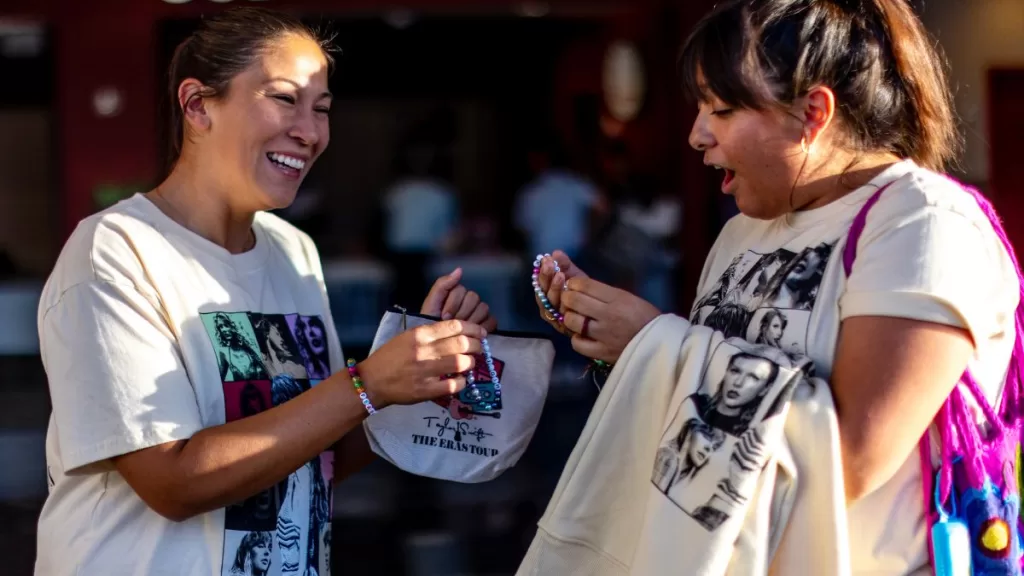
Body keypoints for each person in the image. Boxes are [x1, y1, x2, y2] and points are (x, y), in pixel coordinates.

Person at [533, 0, 1019, 572]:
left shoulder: (923, 220)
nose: (696, 136)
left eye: (722, 109)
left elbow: (850, 461)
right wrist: (622, 352)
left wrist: (654, 342)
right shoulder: (742, 232)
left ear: (813, 111)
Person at [35, 8, 498, 576]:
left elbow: (321, 454)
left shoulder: (291, 250)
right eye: (285, 99)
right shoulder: (116, 249)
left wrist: (418, 374)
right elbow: (172, 482)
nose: (310, 131)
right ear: (198, 105)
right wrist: (367, 382)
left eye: (322, 109)